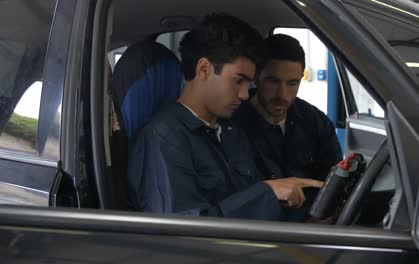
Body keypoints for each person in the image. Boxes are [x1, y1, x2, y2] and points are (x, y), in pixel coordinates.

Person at [127, 14, 322, 220]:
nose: (245, 94)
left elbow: (252, 200)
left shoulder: (231, 131)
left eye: (249, 83)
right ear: (204, 69)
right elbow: (183, 228)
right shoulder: (163, 139)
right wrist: (267, 192)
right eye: (238, 81)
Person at [232, 34, 343, 214]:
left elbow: (333, 188)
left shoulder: (315, 122)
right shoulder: (232, 124)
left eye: (292, 83)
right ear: (256, 76)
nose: (282, 94)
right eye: (273, 81)